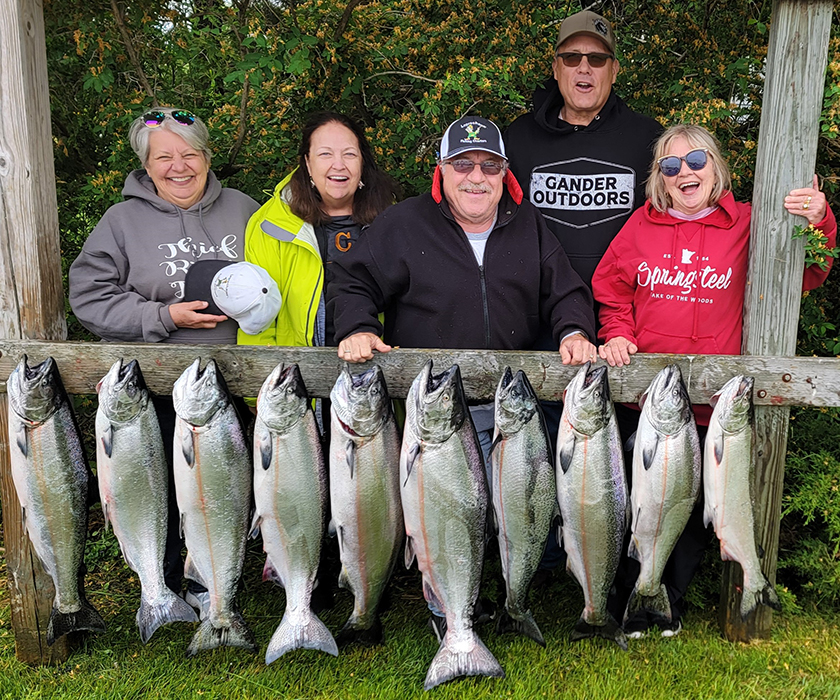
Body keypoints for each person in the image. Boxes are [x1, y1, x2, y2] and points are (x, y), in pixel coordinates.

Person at [329, 114, 597, 640]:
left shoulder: (530, 226)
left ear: (506, 175)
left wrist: (572, 331)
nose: (476, 177)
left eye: (489, 166)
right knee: (447, 515)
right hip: (438, 413)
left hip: (511, 409)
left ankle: (512, 600)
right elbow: (353, 282)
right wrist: (359, 327)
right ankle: (446, 607)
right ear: (441, 173)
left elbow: (566, 290)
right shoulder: (404, 224)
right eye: (463, 165)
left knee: (519, 512)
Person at [591, 123, 837, 637]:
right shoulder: (640, 227)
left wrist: (819, 221)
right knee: (641, 504)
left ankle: (666, 604)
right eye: (671, 165)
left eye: (697, 161)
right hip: (653, 405)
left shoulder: (750, 222)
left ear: (717, 167)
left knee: (694, 510)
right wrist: (616, 332)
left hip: (720, 410)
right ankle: (626, 602)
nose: (686, 173)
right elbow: (611, 289)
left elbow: (809, 272)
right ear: (659, 179)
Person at [69, 107, 260, 613]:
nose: (179, 166)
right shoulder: (122, 221)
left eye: (189, 154)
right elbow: (88, 297)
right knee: (160, 498)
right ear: (145, 166)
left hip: (232, 387)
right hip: (150, 391)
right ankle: (166, 590)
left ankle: (219, 589)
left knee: (223, 497)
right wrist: (163, 315)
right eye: (164, 157)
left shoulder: (245, 210)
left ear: (207, 157)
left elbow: (280, 283)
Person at [505, 9, 663, 288]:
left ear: (614, 71)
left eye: (598, 59)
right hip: (539, 314)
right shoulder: (518, 138)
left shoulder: (649, 139)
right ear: (556, 68)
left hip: (624, 314)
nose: (584, 68)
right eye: (572, 57)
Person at [236, 111, 400, 353]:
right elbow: (258, 315)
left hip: (375, 367)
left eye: (350, 154)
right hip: (297, 373)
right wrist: (264, 384)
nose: (339, 164)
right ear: (307, 163)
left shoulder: (393, 221)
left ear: (362, 163)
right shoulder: (271, 224)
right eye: (325, 154)